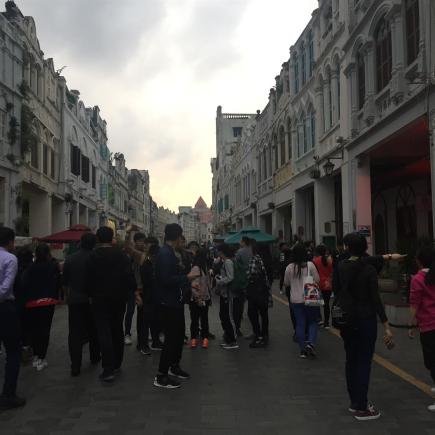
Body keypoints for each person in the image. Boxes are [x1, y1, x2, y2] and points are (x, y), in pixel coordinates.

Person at [336, 232, 393, 421]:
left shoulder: (341, 266)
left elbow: (337, 290)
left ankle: (355, 402)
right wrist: (386, 324)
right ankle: (362, 406)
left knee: (351, 360)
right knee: (363, 362)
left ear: (347, 248)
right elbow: (376, 300)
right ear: (364, 249)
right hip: (366, 320)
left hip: (346, 320)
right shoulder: (368, 270)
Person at [86, 226, 136, 382]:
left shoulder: (93, 256)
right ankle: (117, 363)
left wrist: (90, 294)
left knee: (104, 332)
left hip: (99, 299)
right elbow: (129, 276)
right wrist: (132, 292)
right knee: (117, 329)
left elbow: (88, 278)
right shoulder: (121, 256)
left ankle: (108, 368)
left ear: (98, 239)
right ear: (112, 237)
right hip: (118, 298)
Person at [153, 224, 199, 389]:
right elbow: (166, 280)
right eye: (181, 238)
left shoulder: (170, 253)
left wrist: (188, 285)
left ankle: (174, 366)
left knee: (178, 336)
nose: (183, 242)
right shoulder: (165, 254)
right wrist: (187, 278)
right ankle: (161, 375)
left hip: (175, 301)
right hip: (168, 303)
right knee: (172, 339)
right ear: (178, 237)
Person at [63, 232, 100, 377]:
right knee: (94, 329)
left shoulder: (71, 259)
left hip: (75, 299)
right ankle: (95, 356)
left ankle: (75, 365)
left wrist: (67, 296)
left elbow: (65, 282)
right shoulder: (97, 258)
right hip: (93, 299)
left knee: (75, 333)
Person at [23, 243, 60, 372]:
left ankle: (36, 356)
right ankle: (42, 357)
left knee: (34, 329)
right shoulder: (52, 266)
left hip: (32, 303)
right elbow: (57, 283)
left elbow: (25, 284)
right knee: (45, 330)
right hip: (47, 302)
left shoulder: (30, 268)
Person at [0, 227, 25, 411]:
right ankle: (8, 394)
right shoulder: (10, 258)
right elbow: (6, 288)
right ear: (10, 241)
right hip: (5, 308)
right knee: (13, 351)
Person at [408, 246, 435, 412]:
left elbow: (414, 304)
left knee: (431, 362)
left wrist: (411, 324)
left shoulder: (418, 279)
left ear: (418, 261)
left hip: (429, 325)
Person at [283, 244, 320, 358]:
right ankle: (311, 343)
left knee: (300, 323)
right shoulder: (310, 265)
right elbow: (317, 280)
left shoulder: (289, 267)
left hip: (296, 299)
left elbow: (286, 283)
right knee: (313, 322)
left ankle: (302, 350)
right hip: (310, 296)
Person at [124, 232, 146, 347]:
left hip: (143, 287)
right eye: (139, 241)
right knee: (130, 311)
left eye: (143, 241)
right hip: (133, 287)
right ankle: (127, 333)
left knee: (142, 312)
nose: (141, 243)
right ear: (135, 242)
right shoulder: (132, 254)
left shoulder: (145, 253)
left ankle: (142, 335)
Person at [246, 240, 270, 348]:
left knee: (252, 313)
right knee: (264, 314)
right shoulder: (266, 259)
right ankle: (264, 335)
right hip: (264, 290)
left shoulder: (254, 258)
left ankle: (258, 335)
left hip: (254, 290)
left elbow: (250, 274)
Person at [215, 243, 239, 350]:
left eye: (218, 250)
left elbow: (230, 277)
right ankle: (228, 339)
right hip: (224, 293)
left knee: (229, 317)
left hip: (228, 294)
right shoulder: (225, 261)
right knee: (223, 316)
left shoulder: (228, 262)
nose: (217, 252)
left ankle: (233, 341)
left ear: (222, 251)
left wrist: (219, 281)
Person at [189, 248, 211, 349]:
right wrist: (199, 297)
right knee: (202, 319)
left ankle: (195, 339)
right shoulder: (199, 268)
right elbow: (195, 285)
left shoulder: (198, 267)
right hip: (200, 298)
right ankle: (203, 339)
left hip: (199, 298)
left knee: (196, 319)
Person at [313, 245, 333, 329]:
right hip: (327, 284)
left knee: (316, 303)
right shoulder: (329, 260)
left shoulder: (314, 260)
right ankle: (327, 323)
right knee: (326, 304)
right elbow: (332, 272)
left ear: (317, 252)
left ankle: (319, 319)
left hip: (317, 284)